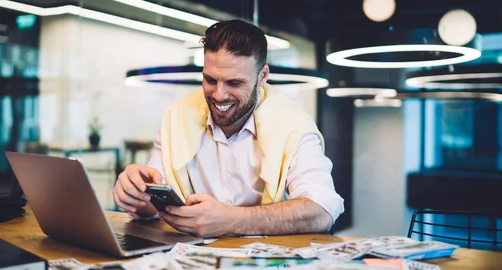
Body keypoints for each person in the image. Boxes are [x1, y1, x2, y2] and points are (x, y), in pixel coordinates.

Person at [113, 19, 344, 237]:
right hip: (191, 267)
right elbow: (154, 205)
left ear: (262, 76)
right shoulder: (177, 116)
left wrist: (231, 220)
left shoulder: (294, 125)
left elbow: (321, 211)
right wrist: (136, 195)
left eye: (234, 83)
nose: (219, 95)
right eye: (210, 80)